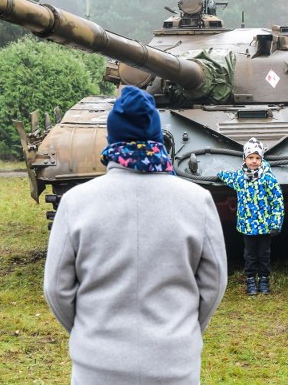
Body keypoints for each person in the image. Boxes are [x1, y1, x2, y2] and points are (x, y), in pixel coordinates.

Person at [43, 85, 228, 384]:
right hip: (174, 365)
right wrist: (185, 329)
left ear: (111, 137)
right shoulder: (197, 200)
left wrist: (89, 332)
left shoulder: (76, 202)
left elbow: (56, 289)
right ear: (158, 136)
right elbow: (214, 282)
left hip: (97, 367)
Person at [217, 137, 284, 295]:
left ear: (261, 159)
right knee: (249, 255)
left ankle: (264, 281)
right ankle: (250, 281)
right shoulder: (240, 177)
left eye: (257, 158)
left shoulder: (268, 178)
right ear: (245, 159)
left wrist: (276, 223)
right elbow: (229, 177)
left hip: (265, 225)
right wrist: (219, 173)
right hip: (247, 226)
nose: (254, 161)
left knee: (264, 255)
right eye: (250, 158)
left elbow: (277, 201)